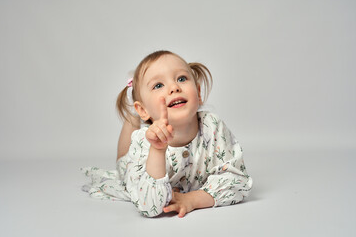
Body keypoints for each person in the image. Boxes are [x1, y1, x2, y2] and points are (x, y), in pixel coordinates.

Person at [81, 50, 253, 218]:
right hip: (135, 168)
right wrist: (156, 150)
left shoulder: (212, 126)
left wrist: (192, 199)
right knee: (122, 161)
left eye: (182, 78)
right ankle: (133, 112)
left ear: (199, 93)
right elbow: (149, 206)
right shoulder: (144, 142)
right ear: (144, 110)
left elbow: (238, 180)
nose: (174, 87)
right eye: (158, 85)